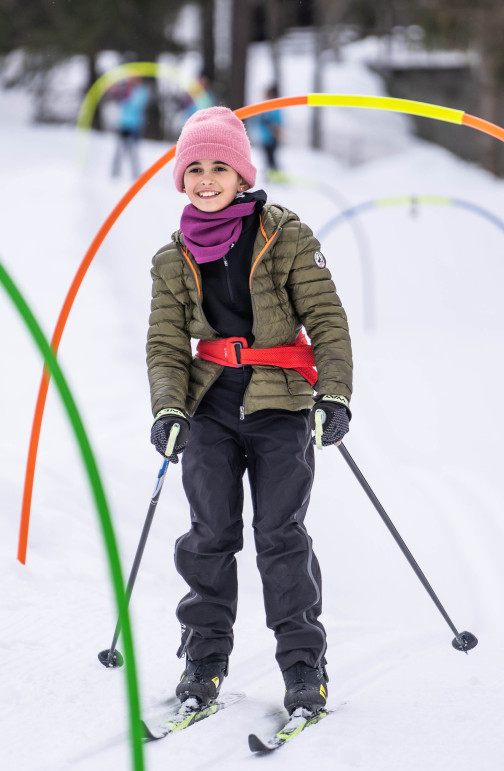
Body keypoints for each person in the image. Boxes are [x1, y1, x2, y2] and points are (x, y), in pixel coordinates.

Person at [145, 106, 353, 717]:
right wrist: (169, 408)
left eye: (220, 168)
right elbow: (164, 343)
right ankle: (204, 661)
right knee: (210, 534)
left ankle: (302, 669)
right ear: (182, 178)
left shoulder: (286, 236)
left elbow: (327, 321)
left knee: (279, 536)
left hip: (280, 404)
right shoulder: (172, 257)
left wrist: (334, 392)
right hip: (210, 406)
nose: (207, 180)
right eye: (195, 169)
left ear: (242, 175)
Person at [111, 76, 150, 180]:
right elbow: (118, 100)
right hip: (123, 124)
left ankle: (136, 175)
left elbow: (137, 104)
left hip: (135, 126)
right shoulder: (124, 90)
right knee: (119, 150)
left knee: (133, 151)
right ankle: (115, 173)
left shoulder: (141, 91)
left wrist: (128, 95)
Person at [256, 85, 284, 176]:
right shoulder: (268, 105)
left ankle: (274, 174)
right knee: (268, 157)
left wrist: (276, 130)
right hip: (266, 136)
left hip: (270, 137)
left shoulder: (272, 105)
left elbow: (276, 121)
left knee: (270, 157)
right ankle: (272, 174)